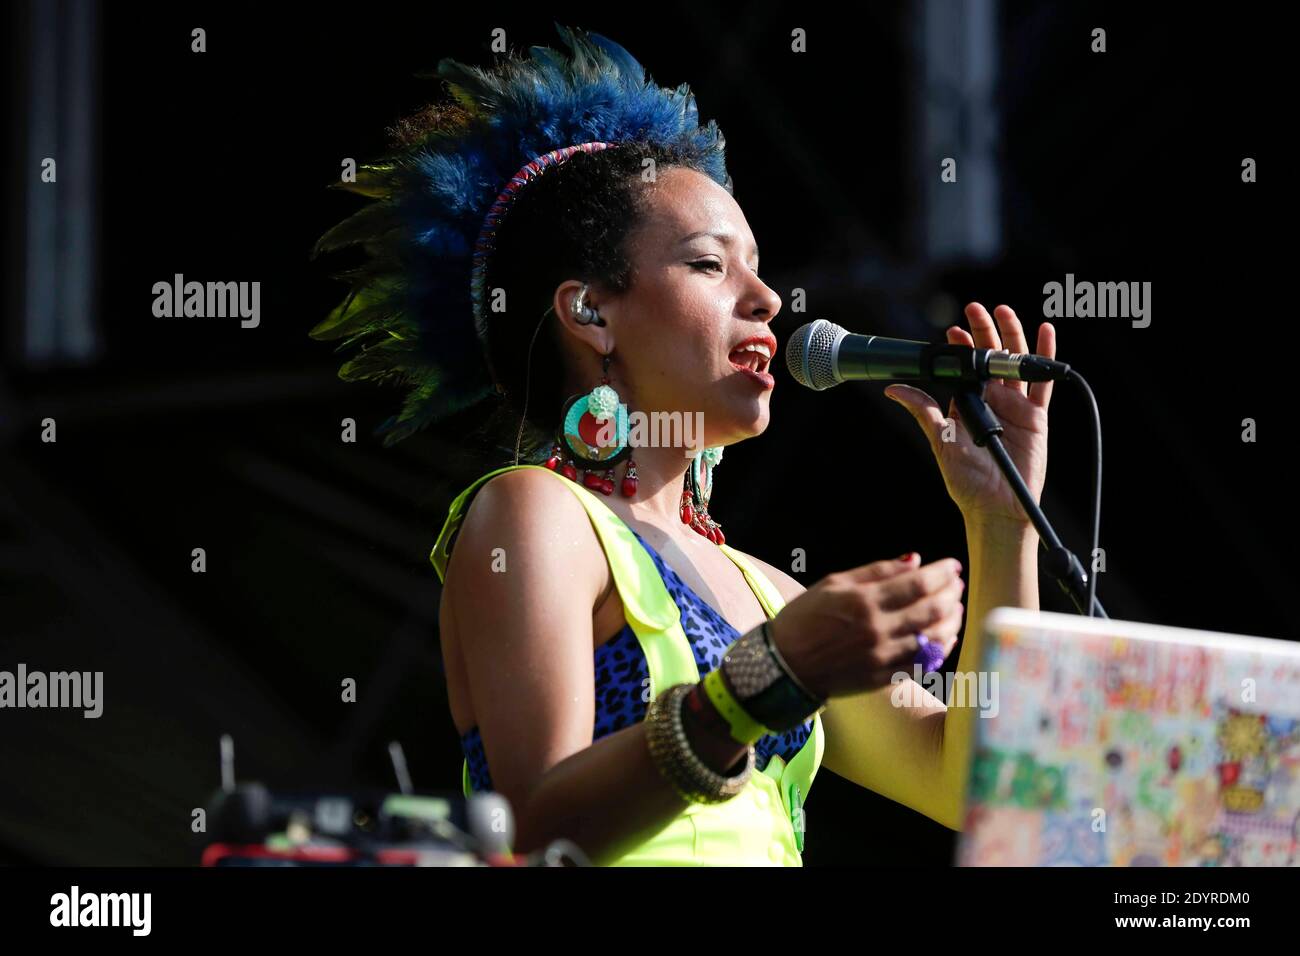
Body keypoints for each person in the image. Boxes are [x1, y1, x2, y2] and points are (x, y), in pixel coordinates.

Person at [310, 25, 1054, 865]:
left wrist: (1001, 522)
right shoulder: (533, 513)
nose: (768, 299)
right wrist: (771, 677)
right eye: (710, 265)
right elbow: (537, 837)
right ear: (590, 312)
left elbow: (982, 790)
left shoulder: (767, 590)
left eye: (759, 268)